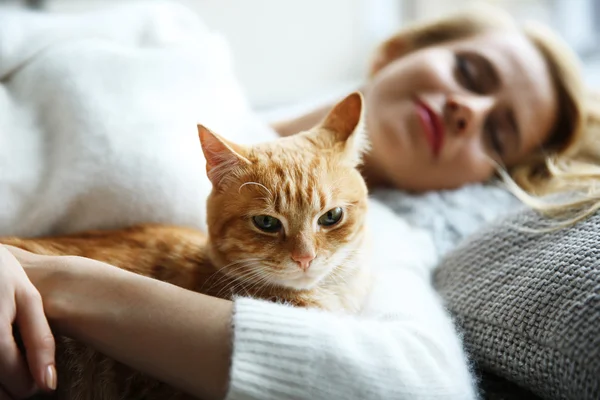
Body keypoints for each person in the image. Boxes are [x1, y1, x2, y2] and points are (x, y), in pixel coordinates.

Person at [1, 5, 599, 400]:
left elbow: (421, 386)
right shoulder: (176, 34)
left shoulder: (381, 245)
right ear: (397, 49)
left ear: (485, 176)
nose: (469, 109)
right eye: (470, 70)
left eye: (499, 134)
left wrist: (54, 279)